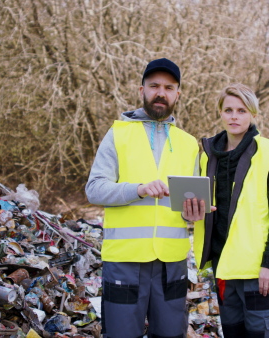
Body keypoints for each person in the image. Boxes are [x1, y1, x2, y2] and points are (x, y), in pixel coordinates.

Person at [86, 58, 206, 338]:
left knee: (170, 335)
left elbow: (188, 209)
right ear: (142, 90)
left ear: (178, 94)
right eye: (154, 86)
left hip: (171, 263)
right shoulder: (118, 134)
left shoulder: (189, 144)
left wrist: (195, 211)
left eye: (168, 87)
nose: (160, 92)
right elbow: (94, 189)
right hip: (125, 262)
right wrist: (137, 189)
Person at [185, 83, 269, 338]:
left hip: (259, 270)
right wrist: (192, 213)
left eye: (242, 111)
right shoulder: (207, 156)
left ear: (253, 115)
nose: (234, 116)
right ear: (221, 113)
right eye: (228, 110)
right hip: (224, 267)